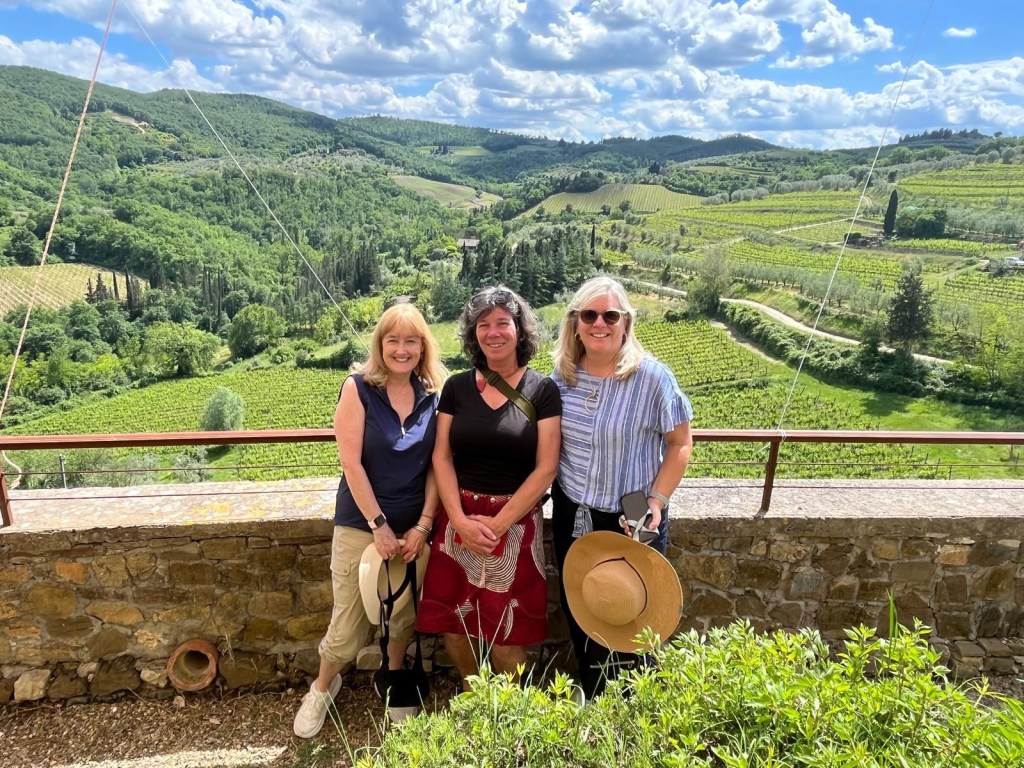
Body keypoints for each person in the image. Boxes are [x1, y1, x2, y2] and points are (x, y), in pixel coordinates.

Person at [293, 301, 447, 738]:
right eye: (392, 340)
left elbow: (437, 465)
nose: (402, 349)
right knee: (347, 624)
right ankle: (322, 687)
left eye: (411, 341)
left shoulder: (433, 395)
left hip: (414, 529)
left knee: (403, 614)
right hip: (361, 525)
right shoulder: (357, 389)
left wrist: (423, 525)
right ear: (380, 345)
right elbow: (352, 464)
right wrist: (379, 526)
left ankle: (393, 676)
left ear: (423, 347)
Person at [550, 275, 693, 699]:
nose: (600, 324)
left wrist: (657, 500)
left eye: (610, 315)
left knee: (637, 614)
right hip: (574, 511)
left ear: (626, 322)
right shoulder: (562, 377)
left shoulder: (652, 378)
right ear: (575, 323)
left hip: (634, 511)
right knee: (583, 608)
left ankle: (636, 705)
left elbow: (680, 443)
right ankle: (593, 693)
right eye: (589, 315)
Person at [416, 286, 561, 687]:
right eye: (483, 324)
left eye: (502, 323)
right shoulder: (457, 388)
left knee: (506, 636)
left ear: (519, 330)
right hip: (457, 518)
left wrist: (498, 525)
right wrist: (460, 521)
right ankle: (473, 692)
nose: (493, 332)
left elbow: (546, 468)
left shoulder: (542, 391)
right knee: (455, 627)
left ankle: (508, 708)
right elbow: (442, 457)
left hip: (515, 522)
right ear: (473, 333)